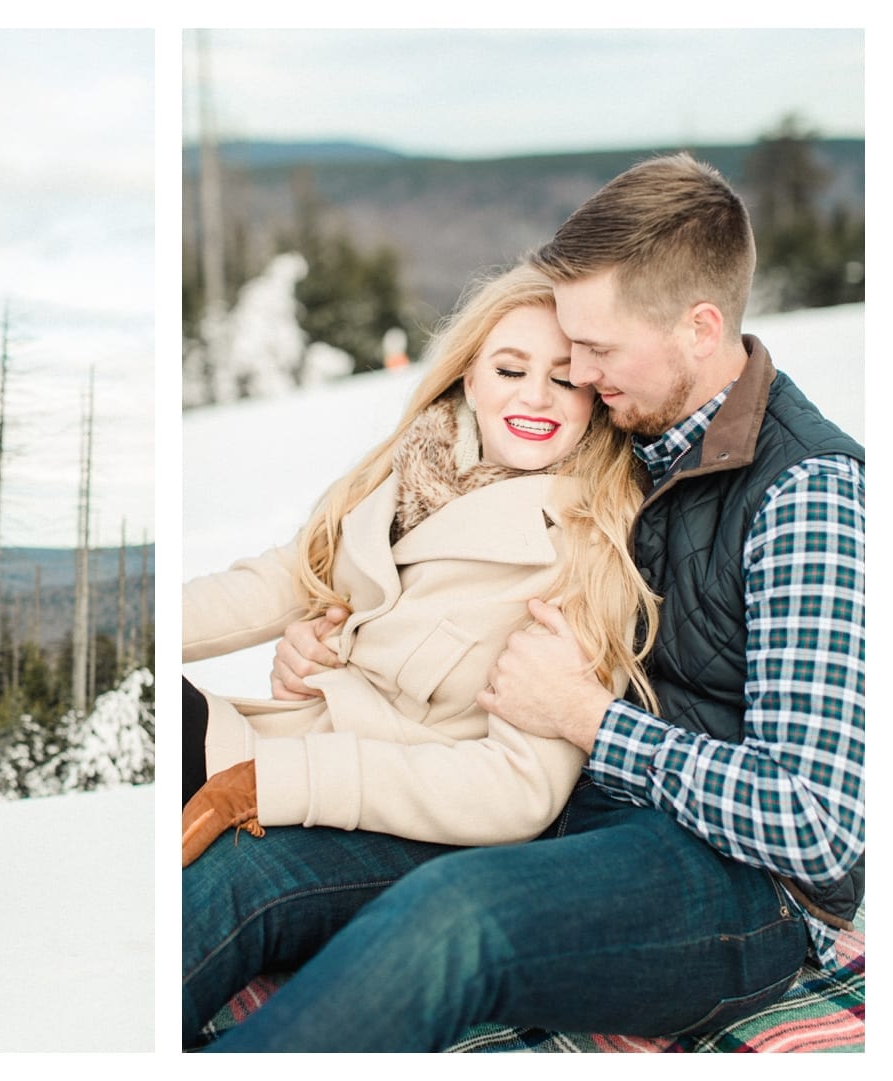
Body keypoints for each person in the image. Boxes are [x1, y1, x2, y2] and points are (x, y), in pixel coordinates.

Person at [184, 154, 864, 1051]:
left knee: (456, 917)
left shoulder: (806, 493)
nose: (574, 371)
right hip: (556, 818)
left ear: (700, 329)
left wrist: (592, 719)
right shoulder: (630, 430)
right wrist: (344, 635)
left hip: (731, 881)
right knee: (246, 869)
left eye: (596, 349)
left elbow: (817, 828)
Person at [180, 262, 658, 870]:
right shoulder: (402, 470)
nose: (535, 395)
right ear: (469, 378)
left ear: (595, 396)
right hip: (272, 745)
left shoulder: (590, 547)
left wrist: (274, 780)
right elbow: (287, 577)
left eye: (565, 381)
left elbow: (518, 788)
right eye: (510, 370)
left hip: (356, 814)